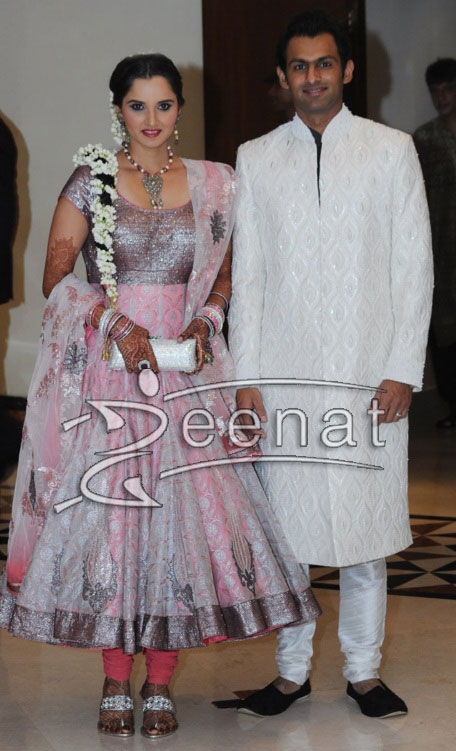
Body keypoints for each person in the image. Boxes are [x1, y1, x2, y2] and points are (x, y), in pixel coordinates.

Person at [0, 54, 320, 739]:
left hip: (185, 376)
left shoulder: (215, 183)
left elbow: (227, 271)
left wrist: (208, 319)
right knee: (115, 525)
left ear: (180, 108)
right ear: (118, 108)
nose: (152, 119)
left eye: (164, 105)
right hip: (113, 379)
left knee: (181, 529)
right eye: (137, 105)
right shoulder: (91, 180)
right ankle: (116, 678)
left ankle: (161, 680)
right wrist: (115, 322)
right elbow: (57, 276)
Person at [228, 11, 433, 719]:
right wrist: (246, 380)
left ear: (346, 70)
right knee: (287, 533)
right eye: (299, 66)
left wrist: (403, 367)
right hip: (284, 379)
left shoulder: (390, 150)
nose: (312, 77)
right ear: (283, 77)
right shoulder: (256, 157)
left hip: (367, 375)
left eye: (324, 64)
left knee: (363, 531)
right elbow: (248, 280)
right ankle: (290, 674)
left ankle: (364, 672)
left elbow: (414, 268)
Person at [414, 58, 456, 429]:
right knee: (444, 333)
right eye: (435, 92)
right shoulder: (424, 140)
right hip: (440, 252)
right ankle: (453, 404)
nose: (441, 98)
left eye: (448, 90)